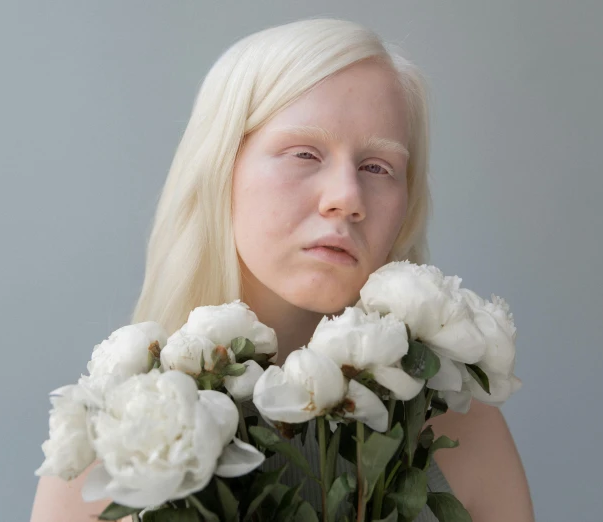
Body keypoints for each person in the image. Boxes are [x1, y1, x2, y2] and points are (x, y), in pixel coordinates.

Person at [31, 18, 534, 522]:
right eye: (304, 154)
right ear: (221, 168)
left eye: (378, 167)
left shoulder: (460, 433)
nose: (346, 198)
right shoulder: (108, 445)